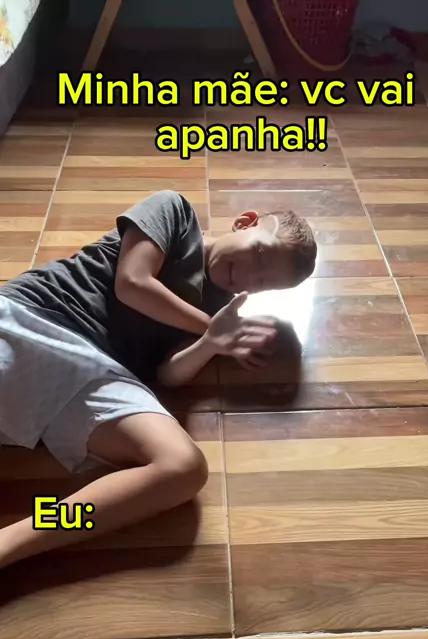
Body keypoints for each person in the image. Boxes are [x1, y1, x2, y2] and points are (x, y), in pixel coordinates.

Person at [0, 190, 317, 569]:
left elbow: (169, 374)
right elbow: (132, 283)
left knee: (183, 468)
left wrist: (211, 344)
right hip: (34, 320)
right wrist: (211, 329)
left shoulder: (220, 313)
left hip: (100, 374)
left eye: (262, 282)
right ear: (245, 222)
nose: (249, 275)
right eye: (260, 254)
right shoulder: (176, 213)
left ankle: (12, 543)